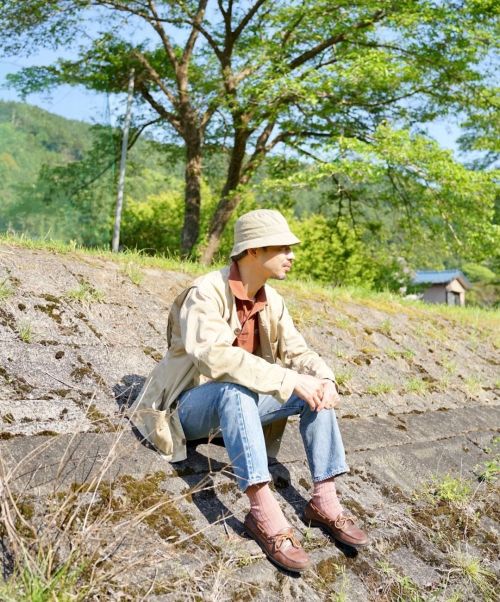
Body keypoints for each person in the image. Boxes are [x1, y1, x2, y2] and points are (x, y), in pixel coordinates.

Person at [130, 209, 368, 573]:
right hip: (187, 407)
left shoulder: (272, 300)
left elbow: (299, 352)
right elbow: (213, 358)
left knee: (314, 391)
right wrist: (287, 379)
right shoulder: (204, 292)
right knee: (236, 390)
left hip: (238, 408)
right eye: (283, 248)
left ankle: (324, 500)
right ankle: (262, 512)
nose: (292, 256)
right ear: (253, 251)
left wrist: (325, 379)